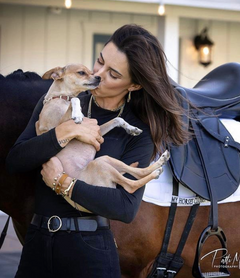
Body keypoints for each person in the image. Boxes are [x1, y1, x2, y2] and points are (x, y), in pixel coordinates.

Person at [6, 24, 190, 278]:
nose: (99, 74)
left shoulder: (138, 129)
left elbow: (125, 208)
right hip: (36, 242)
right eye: (99, 61)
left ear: (134, 85)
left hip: (90, 252)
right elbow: (15, 161)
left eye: (113, 74)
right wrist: (62, 133)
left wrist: (63, 183)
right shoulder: (60, 100)